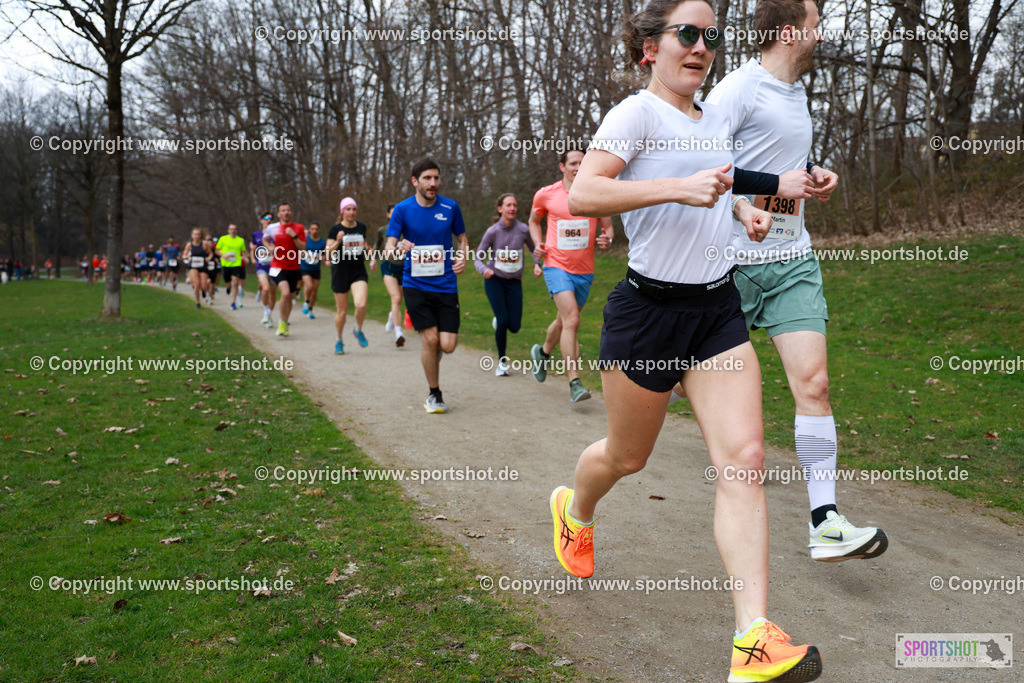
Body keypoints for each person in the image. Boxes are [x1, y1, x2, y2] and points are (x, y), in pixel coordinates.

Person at [548, 1, 822, 680]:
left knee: (746, 458)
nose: (701, 47)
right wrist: (678, 189)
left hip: (715, 313)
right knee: (625, 456)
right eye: (686, 34)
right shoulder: (635, 115)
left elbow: (727, 188)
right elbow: (584, 193)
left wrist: (754, 211)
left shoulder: (715, 119)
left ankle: (753, 641)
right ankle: (574, 507)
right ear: (650, 47)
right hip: (648, 316)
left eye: (711, 37)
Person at [668, 0, 886, 563]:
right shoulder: (739, 88)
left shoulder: (796, 92)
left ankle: (826, 521)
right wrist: (745, 206)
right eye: (816, 23)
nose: (821, 32)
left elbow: (778, 160)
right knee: (657, 395)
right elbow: (706, 162)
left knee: (813, 383)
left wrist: (814, 173)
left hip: (792, 259)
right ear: (791, 31)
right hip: (728, 263)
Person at [529, 150, 614, 403]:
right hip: (555, 265)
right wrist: (537, 243)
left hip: (584, 270)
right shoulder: (547, 194)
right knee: (573, 320)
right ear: (562, 167)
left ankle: (543, 353)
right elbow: (534, 221)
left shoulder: (596, 192)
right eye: (573, 163)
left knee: (562, 321)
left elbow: (608, 227)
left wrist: (606, 238)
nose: (578, 167)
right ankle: (574, 382)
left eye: (582, 162)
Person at [386, 158, 469, 413]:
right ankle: (434, 394)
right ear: (415, 181)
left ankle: (432, 354)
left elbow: (463, 239)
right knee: (430, 339)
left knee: (448, 345)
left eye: (436, 178)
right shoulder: (402, 209)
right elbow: (388, 249)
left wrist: (463, 257)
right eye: (427, 178)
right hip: (415, 285)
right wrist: (398, 247)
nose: (433, 183)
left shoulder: (451, 207)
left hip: (445, 285)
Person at [474, 193, 538, 375]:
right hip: (495, 280)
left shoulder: (523, 229)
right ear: (500, 209)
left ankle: (500, 319)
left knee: (515, 326)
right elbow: (478, 256)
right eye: (508, 205)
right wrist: (484, 270)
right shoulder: (493, 231)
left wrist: (537, 264)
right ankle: (502, 362)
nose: (512, 209)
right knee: (503, 321)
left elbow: (534, 250)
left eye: (515, 205)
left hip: (514, 282)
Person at [326, 198, 370, 353]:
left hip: (358, 271)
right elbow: (327, 253)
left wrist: (369, 254)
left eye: (354, 209)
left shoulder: (362, 227)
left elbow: (364, 247)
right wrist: (338, 241)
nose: (351, 212)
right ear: (342, 211)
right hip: (340, 272)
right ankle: (339, 340)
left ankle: (358, 330)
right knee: (342, 312)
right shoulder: (335, 229)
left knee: (361, 305)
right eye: (348, 209)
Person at [263, 202, 306, 337]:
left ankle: (285, 321)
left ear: (291, 213)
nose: (286, 212)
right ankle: (282, 323)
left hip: (293, 267)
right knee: (285, 293)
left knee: (290, 297)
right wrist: (270, 248)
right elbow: (265, 239)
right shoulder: (273, 228)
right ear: (279, 214)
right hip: (277, 266)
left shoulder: (298, 228)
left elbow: (303, 247)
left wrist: (293, 235)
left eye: (288, 210)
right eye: (283, 210)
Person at [370, 204, 406, 347]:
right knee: (396, 297)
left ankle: (392, 316)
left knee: (399, 300)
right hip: (388, 267)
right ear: (388, 215)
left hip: (404, 268)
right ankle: (399, 333)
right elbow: (376, 246)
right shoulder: (383, 230)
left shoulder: (407, 230)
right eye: (393, 213)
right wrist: (373, 259)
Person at [252, 211, 277, 326]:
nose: (269, 220)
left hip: (274, 266)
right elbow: (253, 247)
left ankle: (269, 314)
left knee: (272, 294)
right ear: (261, 221)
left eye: (271, 218)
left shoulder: (276, 235)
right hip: (261, 265)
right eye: (266, 218)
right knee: (265, 288)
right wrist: (253, 257)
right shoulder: (256, 234)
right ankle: (266, 311)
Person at [216, 224, 248, 310]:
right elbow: (217, 250)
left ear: (237, 231)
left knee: (236, 282)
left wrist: (245, 257)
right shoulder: (223, 239)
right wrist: (223, 255)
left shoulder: (241, 240)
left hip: (236, 264)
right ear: (228, 230)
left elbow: (244, 251)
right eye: (231, 229)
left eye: (235, 229)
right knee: (227, 282)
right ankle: (228, 288)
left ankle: (233, 302)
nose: (233, 231)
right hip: (226, 264)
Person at [300, 222, 325, 319]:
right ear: (309, 230)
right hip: (305, 267)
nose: (314, 231)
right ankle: (306, 302)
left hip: (316, 268)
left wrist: (324, 258)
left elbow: (325, 254)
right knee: (309, 286)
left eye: (316, 229)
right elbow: (299, 250)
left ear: (319, 230)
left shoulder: (322, 243)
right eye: (312, 229)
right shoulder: (305, 240)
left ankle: (310, 309)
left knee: (314, 291)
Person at [182, 228, 210, 309]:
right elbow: (183, 255)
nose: (197, 236)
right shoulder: (189, 245)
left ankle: (204, 291)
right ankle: (198, 303)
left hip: (202, 267)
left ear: (200, 236)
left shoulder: (204, 244)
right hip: (193, 266)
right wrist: (186, 256)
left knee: (204, 286)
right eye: (195, 234)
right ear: (192, 235)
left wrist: (208, 258)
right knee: (196, 284)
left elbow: (210, 254)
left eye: (198, 234)